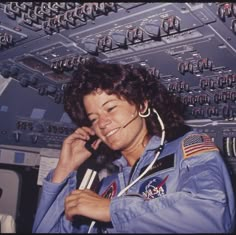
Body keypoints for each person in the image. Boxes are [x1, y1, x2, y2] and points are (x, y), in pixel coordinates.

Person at [32, 57, 235, 233]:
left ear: (142, 105)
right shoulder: (106, 186)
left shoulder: (188, 148)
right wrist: (64, 169)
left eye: (110, 108)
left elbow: (213, 214)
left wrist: (111, 210)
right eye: (93, 118)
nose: (102, 123)